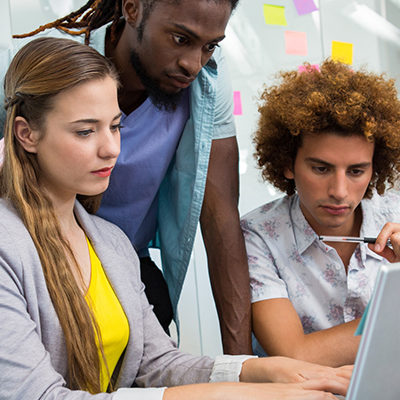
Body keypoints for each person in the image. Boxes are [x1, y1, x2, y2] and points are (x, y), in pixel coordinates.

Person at [0, 37, 352, 400]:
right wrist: (233, 396)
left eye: (116, 126)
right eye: (85, 131)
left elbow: (156, 363)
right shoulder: (8, 247)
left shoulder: (110, 243)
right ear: (27, 134)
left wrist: (260, 369)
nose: (111, 149)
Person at [0, 0, 251, 354]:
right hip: (39, 262)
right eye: (180, 39)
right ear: (132, 9)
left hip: (129, 266)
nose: (194, 64)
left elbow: (221, 217)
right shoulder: (43, 63)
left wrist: (242, 370)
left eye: (210, 46)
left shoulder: (207, 76)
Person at [241, 59, 400, 367]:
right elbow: (294, 355)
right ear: (288, 163)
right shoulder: (257, 235)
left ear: (374, 168)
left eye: (356, 171)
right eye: (321, 168)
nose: (339, 191)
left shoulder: (397, 212)